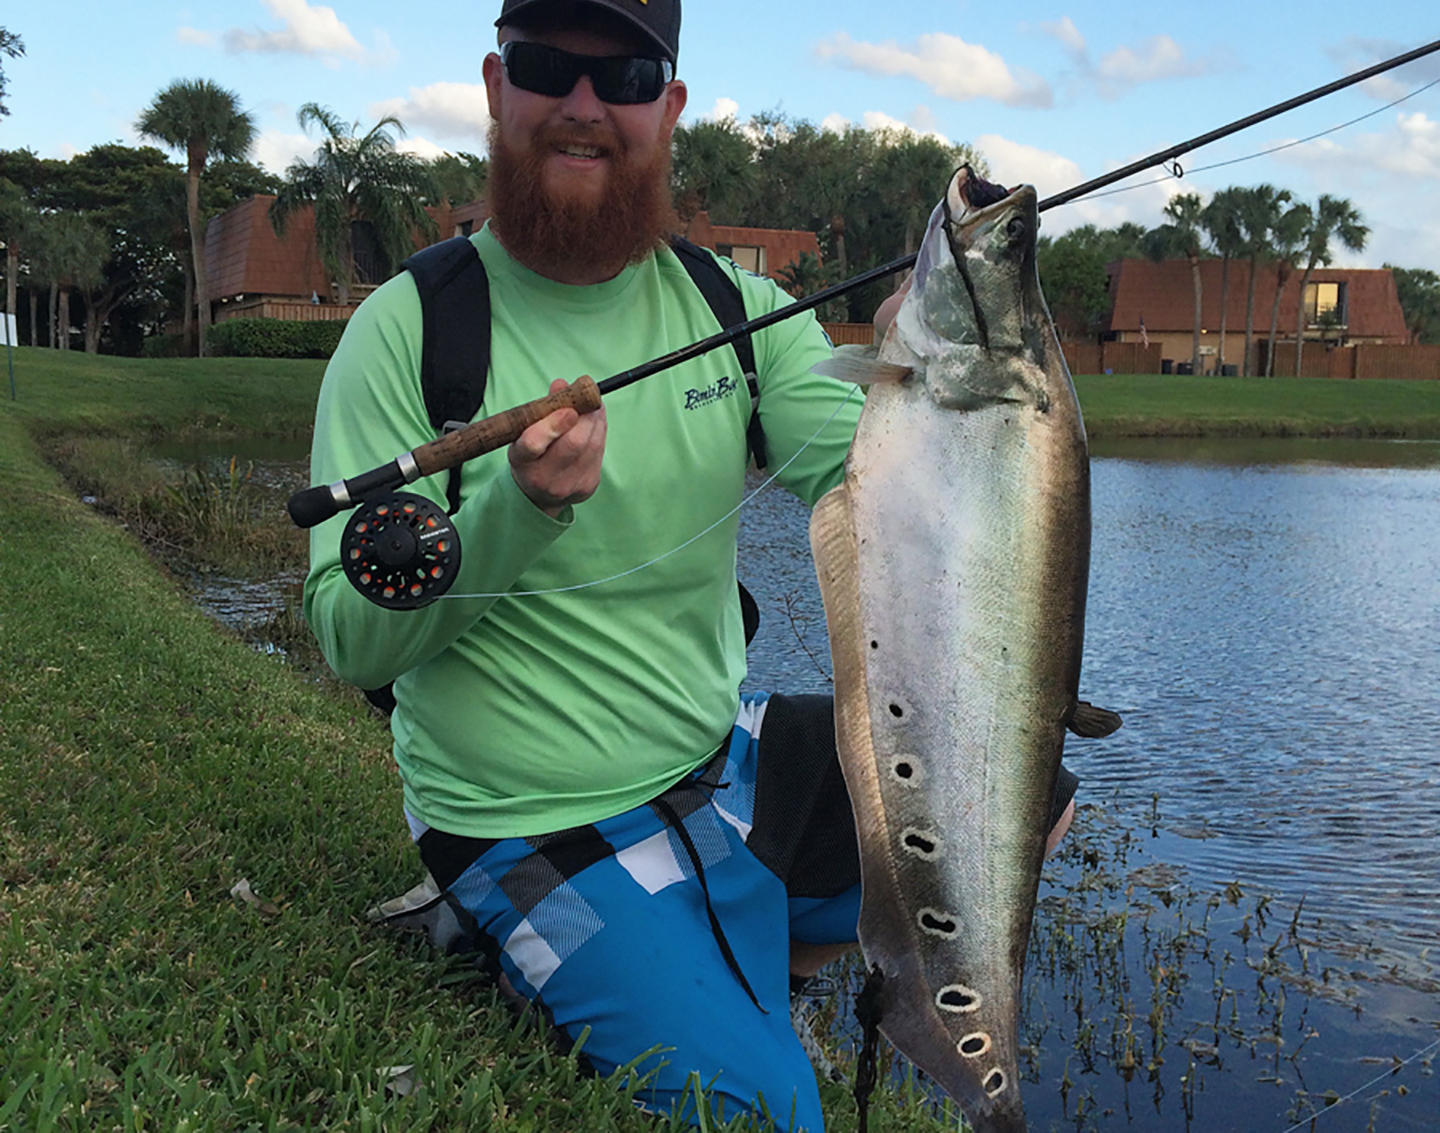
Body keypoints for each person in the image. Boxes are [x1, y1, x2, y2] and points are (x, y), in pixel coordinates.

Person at [304, 1, 1074, 1128]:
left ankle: (727, 963)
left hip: (717, 760)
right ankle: (509, 919)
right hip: (523, 814)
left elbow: (867, 477)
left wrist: (938, 379)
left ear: (666, 106)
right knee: (768, 1110)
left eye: (620, 72)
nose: (582, 104)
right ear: (494, 86)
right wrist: (516, 510)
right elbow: (345, 634)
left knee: (1031, 794)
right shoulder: (410, 329)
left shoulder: (733, 306)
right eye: (546, 66)